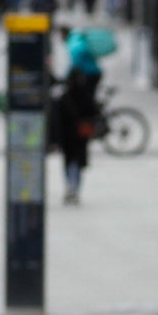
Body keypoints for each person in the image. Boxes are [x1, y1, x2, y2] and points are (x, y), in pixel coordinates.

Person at [52, 32, 102, 204]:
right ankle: (75, 188)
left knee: (68, 162)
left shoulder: (63, 98)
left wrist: (55, 139)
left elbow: (56, 121)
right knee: (77, 162)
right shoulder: (86, 96)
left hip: (67, 137)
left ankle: (70, 187)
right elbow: (94, 112)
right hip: (81, 135)